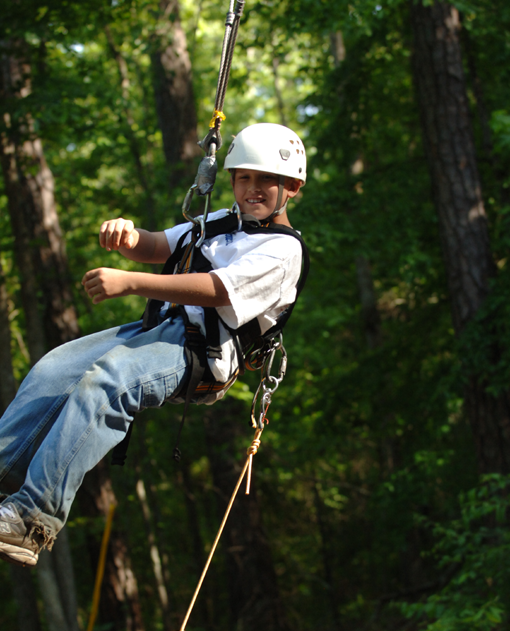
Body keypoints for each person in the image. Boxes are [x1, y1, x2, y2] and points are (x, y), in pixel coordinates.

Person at [0, 123, 307, 568]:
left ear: (291, 187)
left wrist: (131, 283)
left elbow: (217, 288)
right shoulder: (220, 221)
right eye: (243, 177)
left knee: (108, 383)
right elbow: (159, 245)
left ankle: (30, 521)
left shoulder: (284, 252)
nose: (251, 189)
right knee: (56, 368)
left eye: (265, 180)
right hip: (160, 327)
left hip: (202, 354)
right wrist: (128, 238)